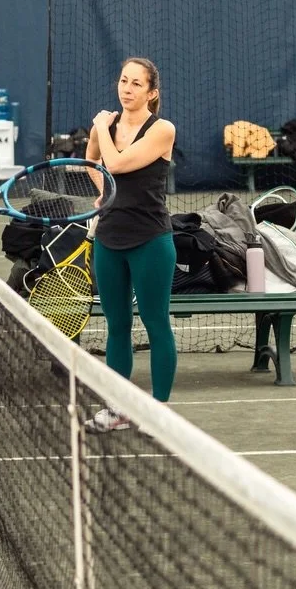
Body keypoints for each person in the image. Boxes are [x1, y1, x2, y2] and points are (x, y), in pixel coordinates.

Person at [84, 57, 177, 432]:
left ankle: (159, 413)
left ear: (152, 93)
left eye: (137, 83)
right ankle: (117, 409)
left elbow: (117, 164)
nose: (127, 89)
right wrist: (104, 192)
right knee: (117, 325)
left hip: (151, 240)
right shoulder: (106, 128)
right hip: (109, 239)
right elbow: (92, 160)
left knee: (156, 322)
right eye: (124, 80)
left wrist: (99, 127)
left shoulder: (162, 130)